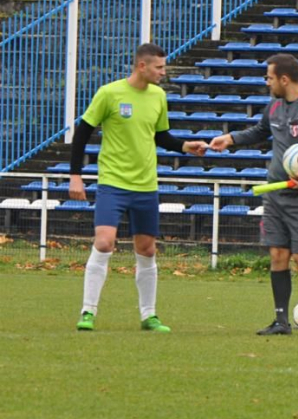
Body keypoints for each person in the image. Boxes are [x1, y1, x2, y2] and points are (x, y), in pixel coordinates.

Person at [70, 43, 208, 332]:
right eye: (159, 67)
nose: (163, 72)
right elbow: (82, 132)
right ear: (142, 66)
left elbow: (161, 136)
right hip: (112, 183)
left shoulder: (158, 96)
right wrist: (75, 175)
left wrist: (185, 146)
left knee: (146, 249)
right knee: (105, 241)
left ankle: (149, 316)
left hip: (146, 186)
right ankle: (87, 311)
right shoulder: (110, 93)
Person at [209, 54, 298, 335]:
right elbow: (260, 131)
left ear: (284, 79)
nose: (267, 82)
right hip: (275, 193)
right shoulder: (275, 106)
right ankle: (281, 321)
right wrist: (230, 139)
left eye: (269, 77)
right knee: (278, 255)